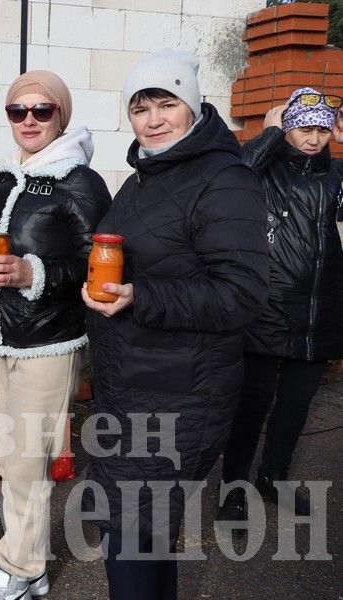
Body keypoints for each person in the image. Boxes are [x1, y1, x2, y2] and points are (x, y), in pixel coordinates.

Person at [80, 49, 268, 600]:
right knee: (144, 531)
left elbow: (241, 294)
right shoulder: (146, 177)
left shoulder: (223, 179)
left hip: (180, 393)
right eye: (141, 108)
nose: (154, 119)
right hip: (135, 386)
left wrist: (142, 296)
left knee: (131, 532)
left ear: (193, 105)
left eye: (168, 103)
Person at [0, 70, 110, 600]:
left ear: (61, 116)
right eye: (17, 111)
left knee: (27, 458)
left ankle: (21, 569)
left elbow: (99, 263)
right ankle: (33, 567)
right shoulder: (2, 178)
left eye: (41, 110)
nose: (28, 120)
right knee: (8, 458)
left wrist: (35, 274)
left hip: (48, 342)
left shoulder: (80, 181)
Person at [218, 88, 343, 520]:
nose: (313, 138)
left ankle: (273, 476)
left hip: (317, 312)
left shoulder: (336, 176)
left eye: (322, 129)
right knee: (251, 405)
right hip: (266, 309)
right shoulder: (264, 170)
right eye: (304, 128)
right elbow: (233, 173)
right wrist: (269, 133)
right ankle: (232, 489)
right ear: (287, 128)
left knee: (295, 406)